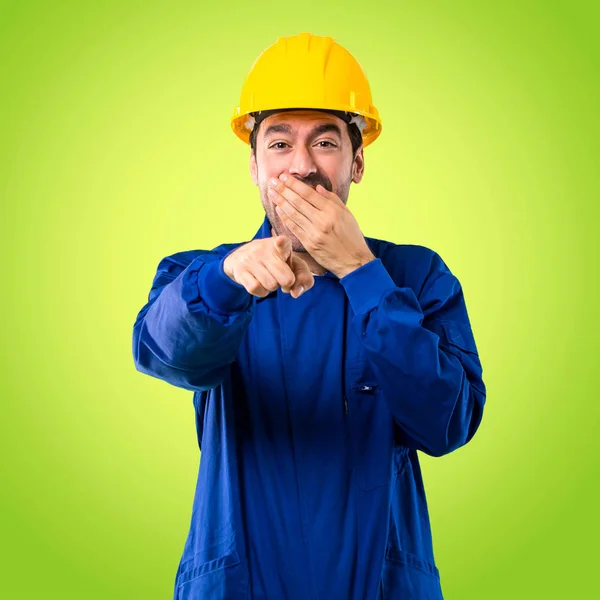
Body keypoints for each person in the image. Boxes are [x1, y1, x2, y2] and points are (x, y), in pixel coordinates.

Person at [132, 32, 486, 600]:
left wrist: (361, 273)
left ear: (357, 161)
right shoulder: (202, 275)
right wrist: (224, 281)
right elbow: (163, 352)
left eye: (324, 142)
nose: (302, 167)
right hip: (240, 583)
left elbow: (448, 423)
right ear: (253, 165)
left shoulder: (417, 276)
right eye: (278, 145)